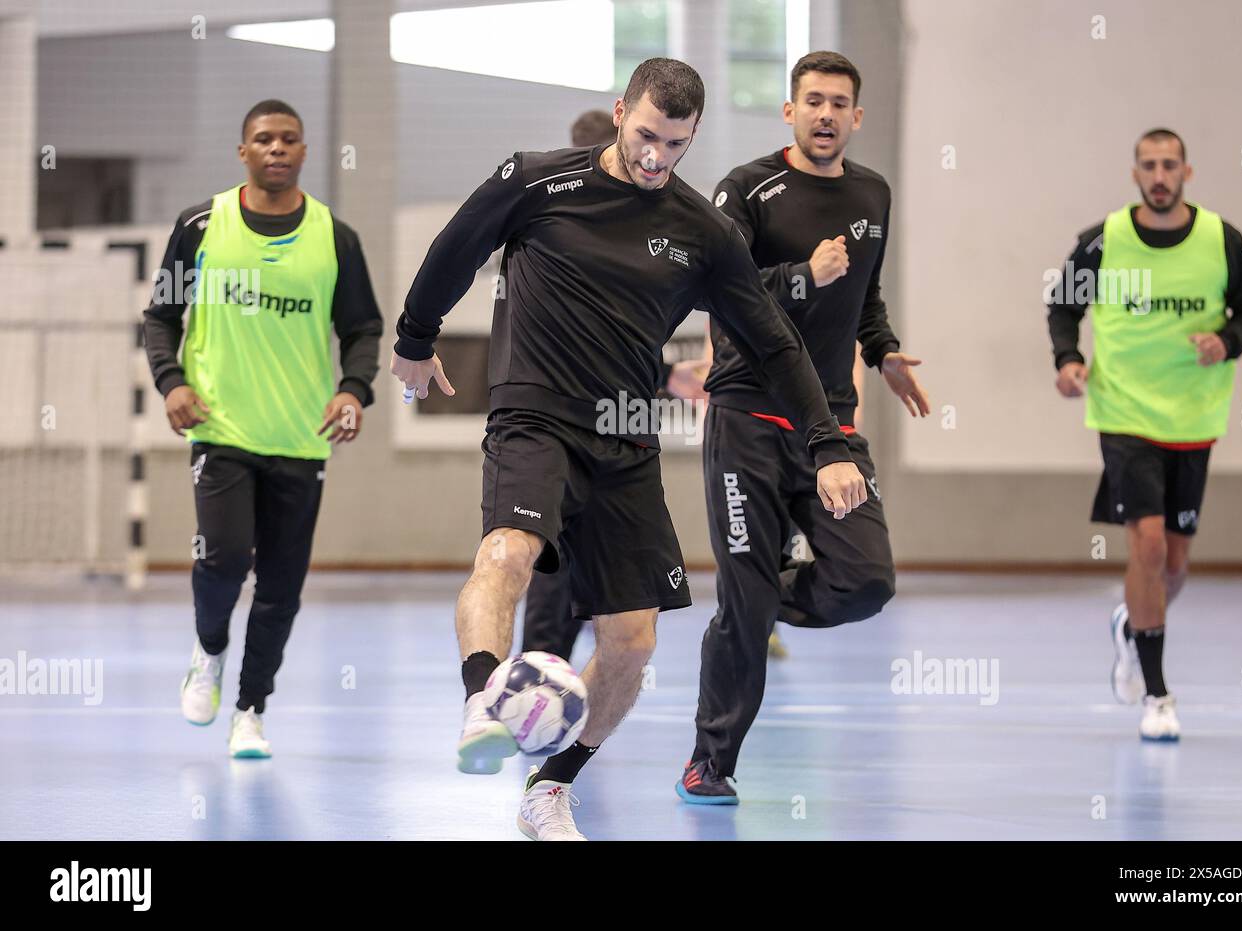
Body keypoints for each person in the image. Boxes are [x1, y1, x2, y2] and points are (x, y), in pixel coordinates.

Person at [391, 58, 868, 840]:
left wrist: (828, 444)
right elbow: (457, 244)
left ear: (692, 137)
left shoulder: (703, 232)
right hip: (535, 416)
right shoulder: (538, 181)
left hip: (626, 438)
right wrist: (415, 337)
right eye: (646, 135)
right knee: (506, 556)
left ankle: (552, 787)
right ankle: (483, 700)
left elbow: (776, 343)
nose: (656, 157)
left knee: (633, 642)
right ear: (621, 112)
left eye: (674, 144)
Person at [678, 51, 930, 803]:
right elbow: (709, 288)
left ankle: (752, 599)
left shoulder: (872, 193)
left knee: (867, 580)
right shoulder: (749, 189)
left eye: (839, 103)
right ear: (789, 111)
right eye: (812, 100)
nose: (825, 114)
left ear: (857, 116)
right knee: (746, 604)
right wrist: (797, 277)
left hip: (829, 422)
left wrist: (882, 351)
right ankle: (709, 761)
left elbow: (864, 294)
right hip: (748, 417)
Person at [143, 99, 383, 757]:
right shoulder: (199, 225)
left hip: (302, 438)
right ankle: (210, 649)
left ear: (304, 152)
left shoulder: (337, 239)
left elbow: (363, 329)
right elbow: (160, 315)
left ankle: (250, 709)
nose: (276, 148)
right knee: (222, 558)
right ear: (242, 151)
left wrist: (353, 391)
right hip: (220, 428)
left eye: (289, 140)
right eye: (263, 139)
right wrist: (173, 382)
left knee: (281, 586)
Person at [1048, 128, 1242, 741]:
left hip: (1194, 418)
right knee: (1143, 547)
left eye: (1170, 165)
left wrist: (1227, 341)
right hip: (1123, 416)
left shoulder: (1222, 241)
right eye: (1150, 165)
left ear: (1187, 172)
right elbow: (1063, 306)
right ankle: (1158, 694)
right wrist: (1067, 360)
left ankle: (1130, 625)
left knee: (1172, 567)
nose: (1160, 175)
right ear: (1136, 173)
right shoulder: (1103, 241)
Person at [519, 107, 708, 661]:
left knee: (608, 584)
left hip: (622, 436)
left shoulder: (647, 231)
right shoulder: (557, 231)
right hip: (562, 432)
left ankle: (554, 679)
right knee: (554, 568)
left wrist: (670, 375)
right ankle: (533, 678)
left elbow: (622, 349)